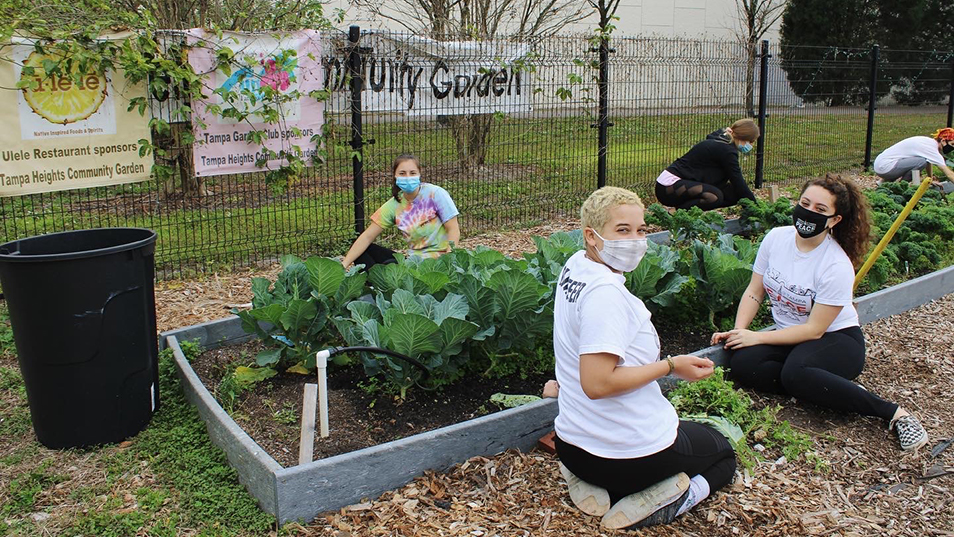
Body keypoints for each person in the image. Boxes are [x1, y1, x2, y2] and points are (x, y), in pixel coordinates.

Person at [552, 186, 737, 530]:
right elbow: (597, 383)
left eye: (641, 230)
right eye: (622, 231)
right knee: (723, 454)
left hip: (571, 448)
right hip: (629, 459)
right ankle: (673, 499)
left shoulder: (576, 266)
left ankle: (593, 485)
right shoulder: (605, 296)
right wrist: (671, 366)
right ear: (591, 236)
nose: (636, 240)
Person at [711, 173, 929, 452]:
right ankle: (829, 387)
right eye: (805, 203)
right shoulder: (776, 238)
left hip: (836, 339)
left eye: (820, 210)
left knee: (794, 373)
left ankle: (895, 414)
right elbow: (755, 290)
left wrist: (757, 337)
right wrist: (741, 330)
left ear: (835, 220)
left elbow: (815, 329)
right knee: (743, 363)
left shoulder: (835, 264)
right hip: (793, 338)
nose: (808, 212)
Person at [341, 154, 460, 270]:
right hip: (413, 263)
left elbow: (453, 229)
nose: (408, 177)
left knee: (390, 265)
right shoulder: (394, 205)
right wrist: (342, 267)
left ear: (419, 174)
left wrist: (448, 262)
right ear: (395, 176)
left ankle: (380, 283)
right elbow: (367, 237)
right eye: (402, 173)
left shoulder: (435, 194)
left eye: (412, 173)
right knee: (363, 250)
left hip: (438, 262)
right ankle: (377, 283)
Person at [655, 118, 760, 210]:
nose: (751, 146)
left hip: (686, 182)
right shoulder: (726, 150)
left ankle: (685, 210)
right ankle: (675, 213)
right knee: (713, 196)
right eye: (751, 142)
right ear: (743, 138)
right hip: (669, 185)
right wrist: (755, 208)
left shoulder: (722, 141)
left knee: (733, 193)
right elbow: (737, 179)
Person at [873, 128, 954, 190]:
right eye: (952, 144)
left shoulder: (928, 142)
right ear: (943, 141)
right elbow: (949, 173)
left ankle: (884, 182)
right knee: (921, 162)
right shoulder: (931, 149)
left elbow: (929, 161)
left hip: (881, 164)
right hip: (886, 167)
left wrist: (930, 179)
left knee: (921, 160)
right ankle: (901, 187)